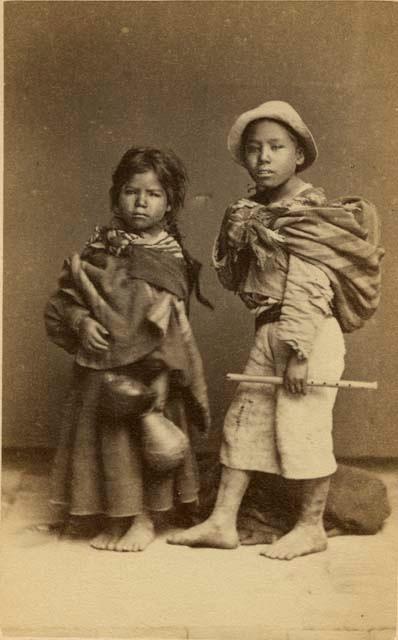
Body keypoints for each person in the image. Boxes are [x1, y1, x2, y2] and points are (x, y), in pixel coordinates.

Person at [167, 100, 384, 560]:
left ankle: (310, 528)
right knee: (246, 422)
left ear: (299, 155)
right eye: (253, 149)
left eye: (276, 147)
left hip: (307, 332)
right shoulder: (251, 213)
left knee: (301, 427)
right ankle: (223, 521)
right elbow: (238, 277)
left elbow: (310, 284)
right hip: (270, 329)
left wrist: (300, 352)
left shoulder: (310, 215)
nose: (263, 157)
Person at [44, 146, 211, 552]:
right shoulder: (100, 247)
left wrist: (162, 378)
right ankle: (113, 518)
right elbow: (67, 299)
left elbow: (172, 327)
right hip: (101, 369)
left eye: (153, 194)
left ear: (170, 203)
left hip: (150, 369)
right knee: (108, 445)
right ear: (116, 195)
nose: (140, 202)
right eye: (131, 191)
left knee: (146, 447)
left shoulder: (169, 258)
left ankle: (143, 521)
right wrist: (81, 323)